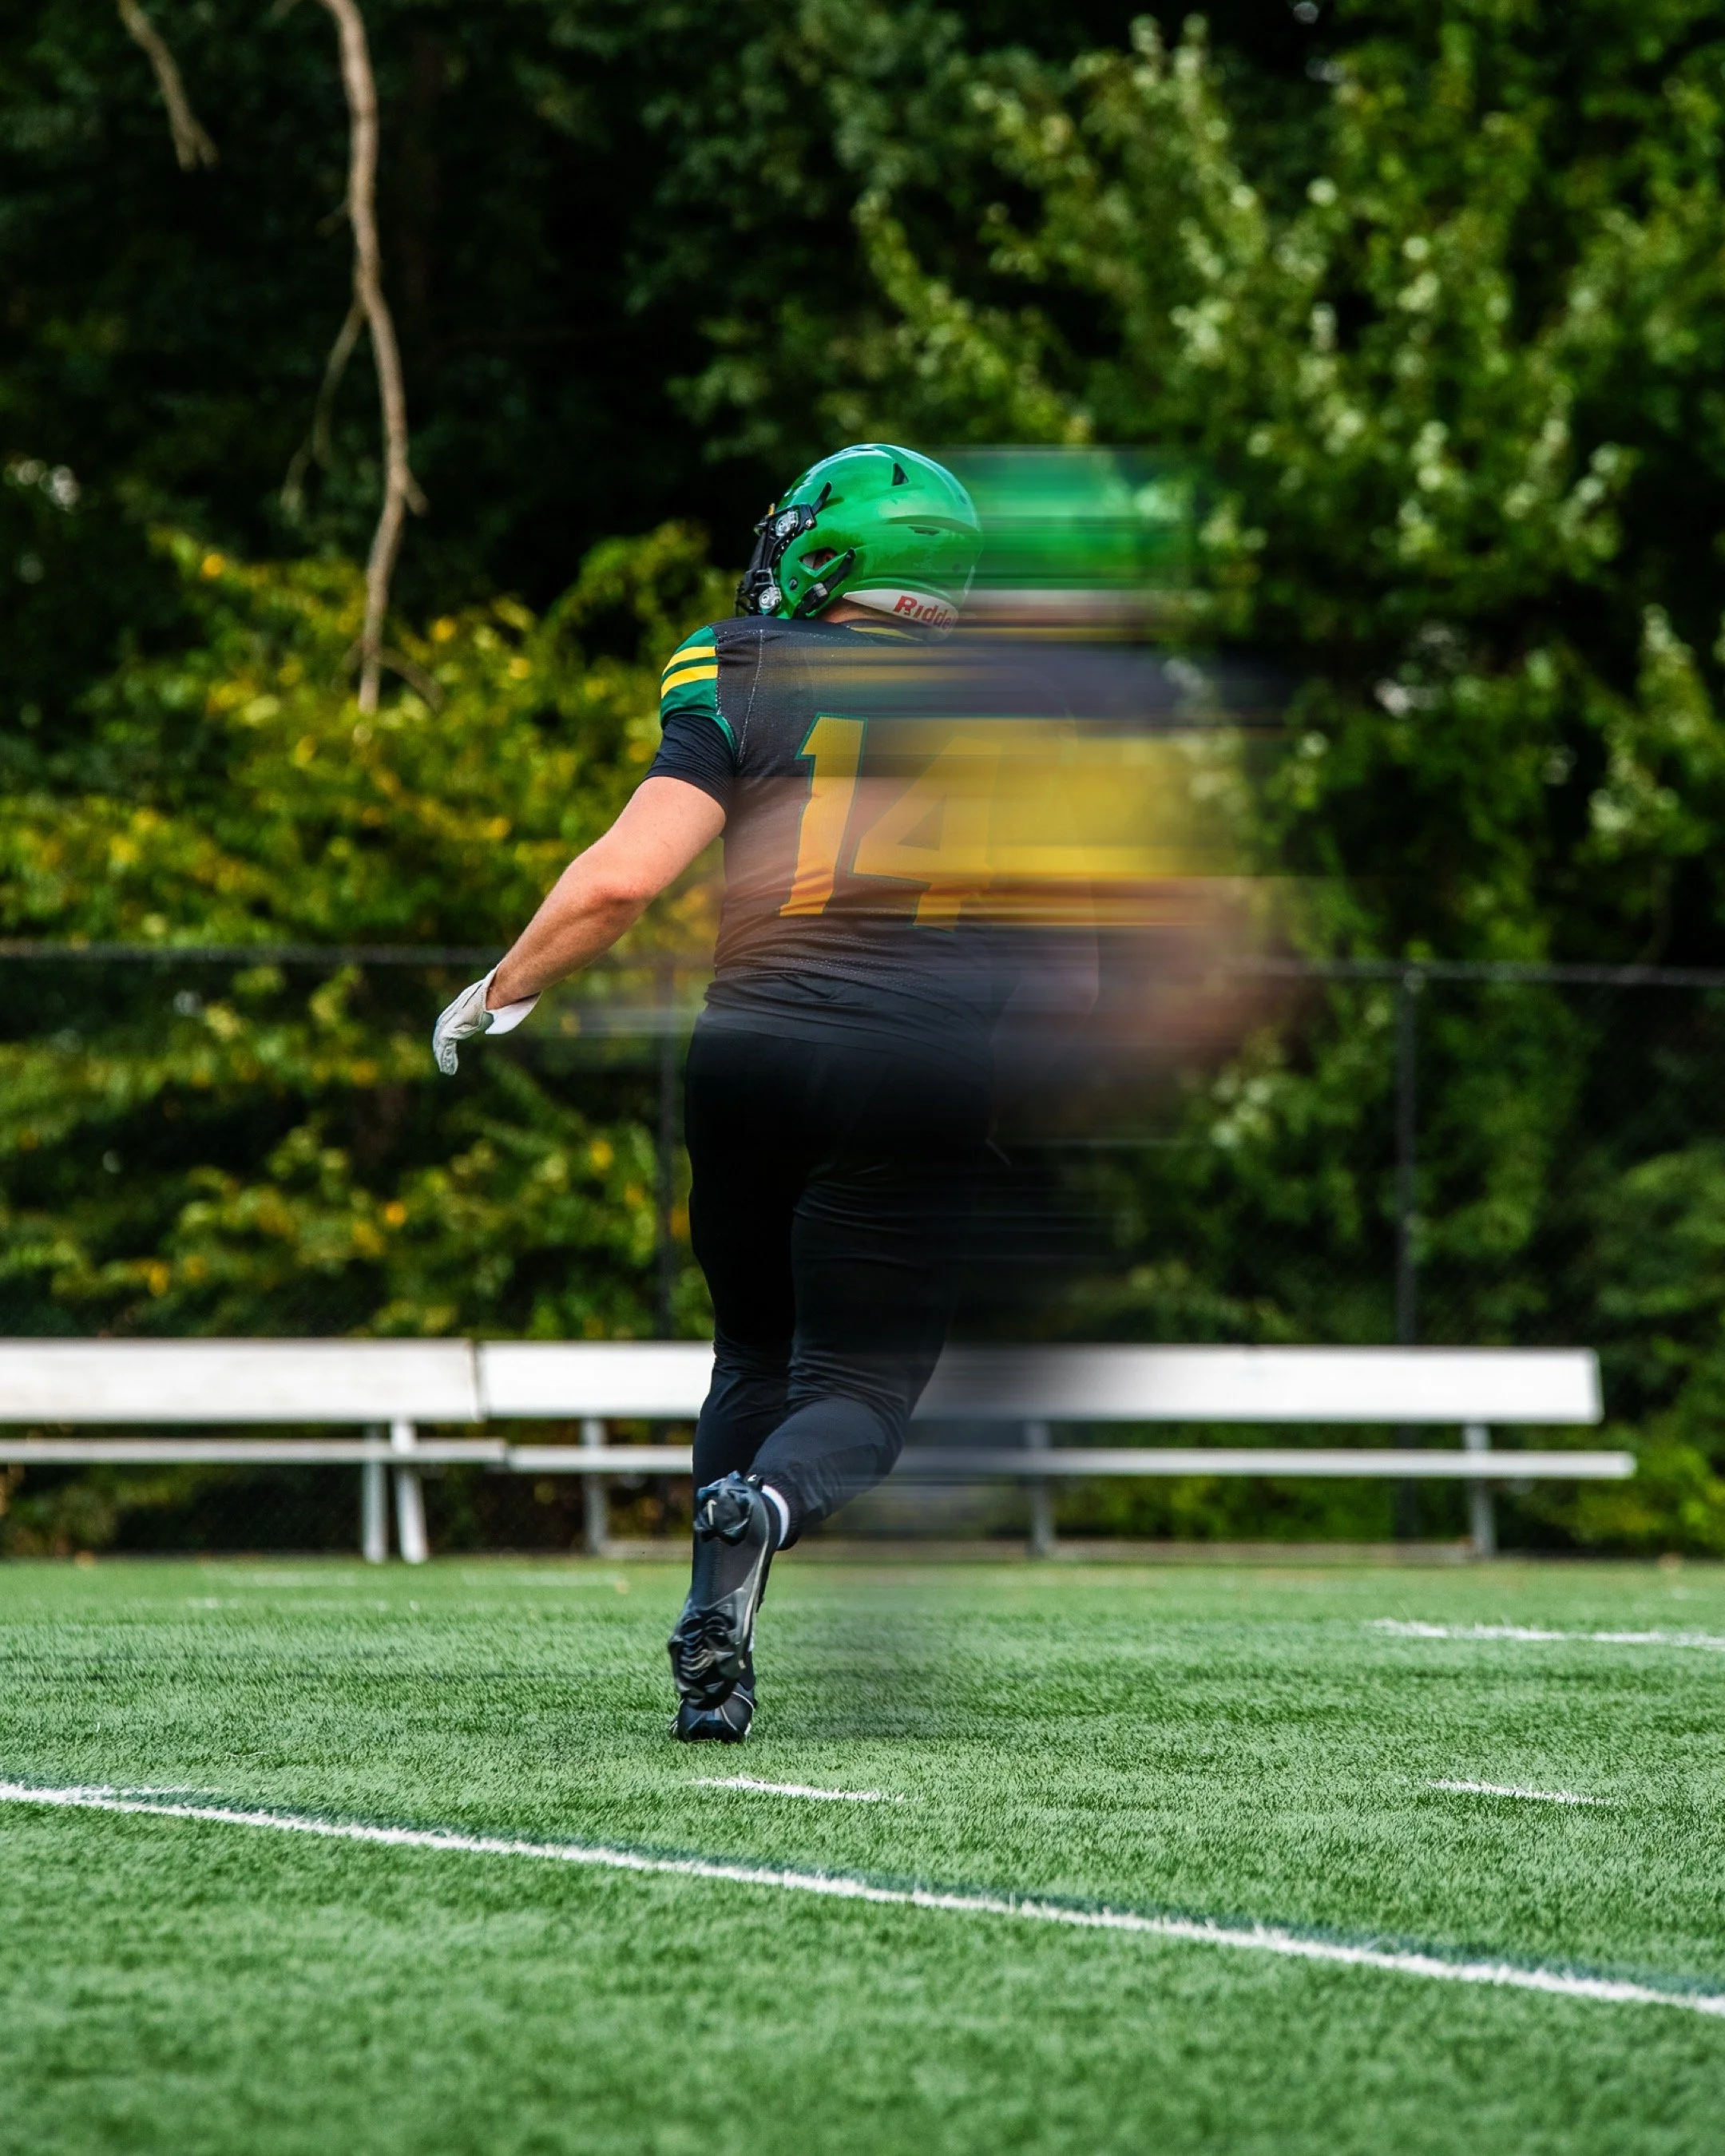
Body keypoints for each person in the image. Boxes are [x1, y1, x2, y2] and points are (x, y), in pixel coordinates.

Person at [435, 442, 1037, 1742]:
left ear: (831, 554)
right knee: (861, 1392)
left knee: (752, 1351)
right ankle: (766, 1513)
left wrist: (502, 989)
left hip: (752, 1053)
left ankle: (721, 1634)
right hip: (920, 1069)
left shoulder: (740, 660)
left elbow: (618, 882)